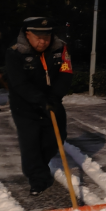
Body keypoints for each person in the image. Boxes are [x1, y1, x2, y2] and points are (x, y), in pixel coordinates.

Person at [6, 17, 73, 196]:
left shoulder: (60, 48)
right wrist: (41, 100)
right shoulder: (15, 52)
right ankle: (38, 178)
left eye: (47, 37)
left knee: (56, 137)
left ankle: (38, 166)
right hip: (25, 105)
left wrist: (54, 97)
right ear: (28, 35)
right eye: (38, 37)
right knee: (31, 142)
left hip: (53, 101)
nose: (43, 41)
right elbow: (19, 83)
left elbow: (65, 74)